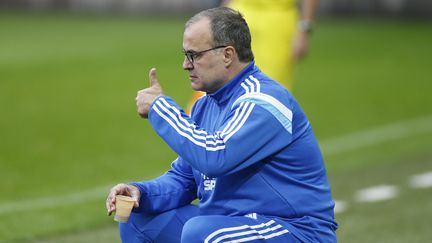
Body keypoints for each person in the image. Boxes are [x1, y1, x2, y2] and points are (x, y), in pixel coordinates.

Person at [106, 7, 337, 242]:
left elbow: (215, 156)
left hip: (295, 229)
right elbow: (184, 179)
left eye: (194, 55)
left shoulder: (264, 101)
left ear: (227, 55)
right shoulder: (205, 105)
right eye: (186, 55)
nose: (186, 65)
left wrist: (160, 108)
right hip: (235, 225)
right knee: (138, 219)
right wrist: (141, 193)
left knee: (203, 233)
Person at [186, 0, 319, 113]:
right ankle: (199, 128)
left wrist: (304, 28)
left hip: (277, 22)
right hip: (239, 12)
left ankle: (257, 135)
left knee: (269, 90)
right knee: (217, 77)